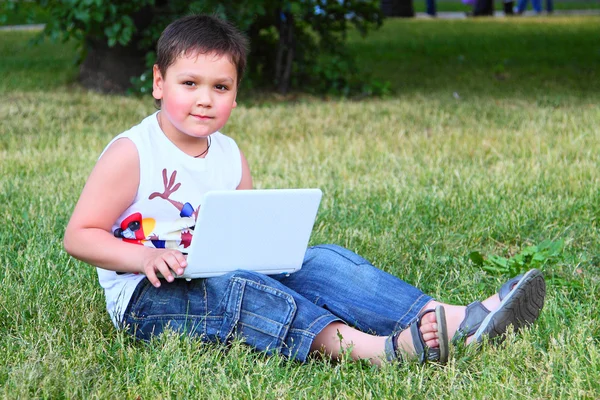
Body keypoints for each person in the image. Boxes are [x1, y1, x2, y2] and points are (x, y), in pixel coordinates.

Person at [63, 14, 547, 366]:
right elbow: (79, 235)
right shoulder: (134, 152)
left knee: (319, 260)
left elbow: (242, 235)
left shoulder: (229, 154)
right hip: (148, 300)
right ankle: (377, 352)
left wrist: (275, 254)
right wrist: (144, 259)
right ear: (158, 83)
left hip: (214, 272)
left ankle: (456, 318)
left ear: (236, 92)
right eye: (189, 83)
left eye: (221, 87)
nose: (205, 99)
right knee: (241, 289)